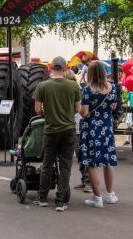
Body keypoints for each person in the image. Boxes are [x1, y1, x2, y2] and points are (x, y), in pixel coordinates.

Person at [32, 56, 81, 212]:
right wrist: (66, 113)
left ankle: (42, 197)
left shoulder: (42, 86)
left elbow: (37, 110)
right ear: (66, 68)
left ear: (51, 67)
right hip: (68, 130)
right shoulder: (73, 86)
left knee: (47, 164)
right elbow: (78, 109)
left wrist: (49, 113)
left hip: (51, 129)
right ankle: (60, 201)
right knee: (65, 165)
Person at [78, 61, 119, 208]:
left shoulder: (88, 89)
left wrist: (78, 109)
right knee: (108, 161)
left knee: (92, 162)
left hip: (92, 128)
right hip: (107, 128)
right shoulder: (112, 87)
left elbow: (84, 112)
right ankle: (110, 194)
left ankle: (97, 197)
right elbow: (113, 106)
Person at [64, 69, 90, 193]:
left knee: (81, 155)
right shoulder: (77, 90)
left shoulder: (75, 91)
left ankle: (88, 182)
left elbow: (78, 110)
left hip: (77, 127)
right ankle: (85, 181)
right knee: (80, 156)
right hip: (76, 126)